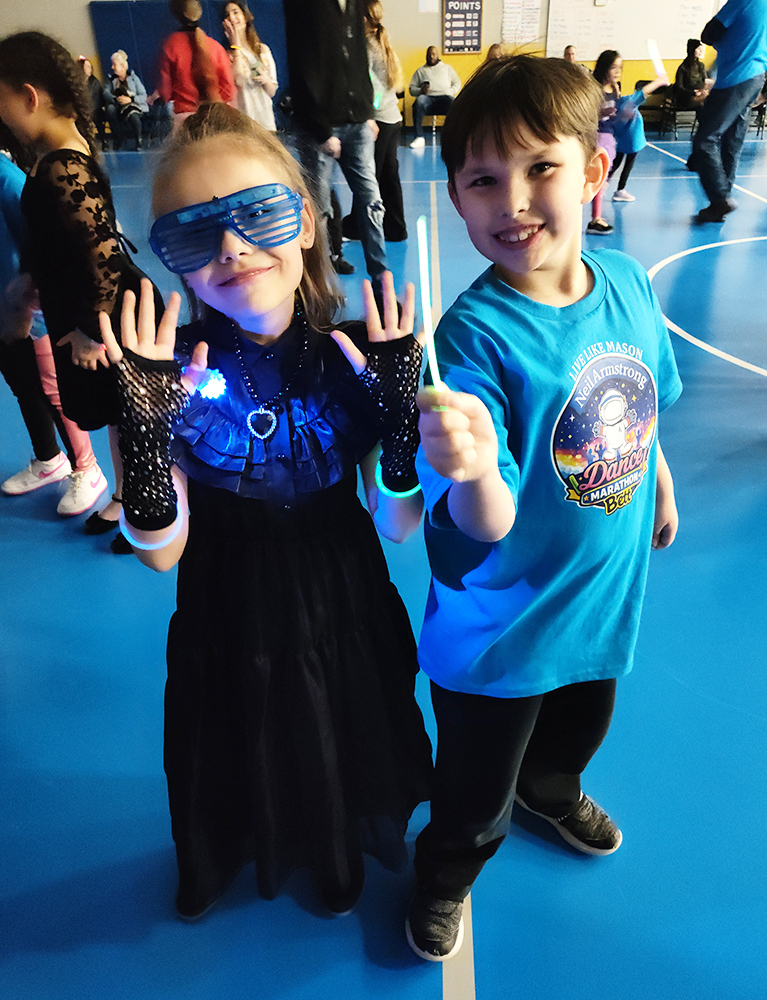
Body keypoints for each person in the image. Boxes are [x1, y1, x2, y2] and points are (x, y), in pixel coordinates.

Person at [97, 102, 433, 920]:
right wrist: (144, 432)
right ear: (173, 261)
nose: (232, 248)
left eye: (258, 215)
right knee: (242, 727)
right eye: (194, 234)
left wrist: (398, 420)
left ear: (308, 222)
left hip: (339, 591)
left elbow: (396, 523)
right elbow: (160, 552)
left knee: (337, 722)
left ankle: (333, 846)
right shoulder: (164, 376)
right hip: (228, 599)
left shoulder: (357, 354)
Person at [407, 54, 681, 962]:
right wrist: (469, 467)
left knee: (577, 729)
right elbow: (481, 521)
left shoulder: (628, 284)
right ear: (456, 196)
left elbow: (643, 401)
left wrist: (659, 481)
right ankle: (445, 872)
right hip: (503, 627)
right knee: (473, 787)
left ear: (594, 169)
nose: (513, 200)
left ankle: (551, 791)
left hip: (601, 597)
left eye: (540, 168)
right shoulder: (472, 339)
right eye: (484, 180)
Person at [0, 31, 164, 535]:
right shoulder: (59, 153)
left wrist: (94, 331)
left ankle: (143, 500)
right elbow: (61, 239)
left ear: (30, 97)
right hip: (89, 307)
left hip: (105, 313)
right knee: (115, 411)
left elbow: (103, 254)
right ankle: (123, 495)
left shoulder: (61, 167)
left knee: (126, 412)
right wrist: (29, 282)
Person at [0, 128, 99, 511]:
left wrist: (29, 303)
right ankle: (48, 459)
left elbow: (42, 245)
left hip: (30, 312)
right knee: (23, 386)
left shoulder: (8, 180)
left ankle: (87, 468)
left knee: (51, 389)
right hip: (2, 313)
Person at [283, 0, 388, 295]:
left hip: (358, 122)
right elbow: (301, 65)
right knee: (319, 212)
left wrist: (368, 112)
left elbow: (357, 59)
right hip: (320, 127)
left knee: (371, 203)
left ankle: (382, 286)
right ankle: (320, 290)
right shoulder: (306, 7)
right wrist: (322, 130)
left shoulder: (353, 4)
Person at [690, 0, 767, 222]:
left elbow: (708, 34)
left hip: (735, 78)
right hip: (755, 77)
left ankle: (720, 199)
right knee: (732, 141)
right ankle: (721, 203)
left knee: (705, 140)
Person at [343, 0, 408, 243]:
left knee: (367, 177)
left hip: (380, 121)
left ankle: (355, 227)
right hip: (393, 119)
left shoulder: (366, 47)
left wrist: (369, 114)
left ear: (363, 19)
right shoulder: (382, 42)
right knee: (389, 177)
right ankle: (396, 228)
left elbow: (374, 90)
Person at [155, 0, 236, 123]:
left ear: (176, 14)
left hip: (184, 119)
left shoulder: (169, 45)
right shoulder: (215, 47)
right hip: (216, 118)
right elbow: (229, 92)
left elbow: (165, 92)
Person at [609, 72, 669, 202]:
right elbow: (644, 91)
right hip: (632, 140)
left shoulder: (612, 105)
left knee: (615, 163)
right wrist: (660, 81)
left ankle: (602, 184)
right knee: (627, 165)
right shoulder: (628, 102)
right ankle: (620, 190)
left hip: (621, 140)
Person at [221, 1, 278, 131]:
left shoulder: (261, 50)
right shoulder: (227, 55)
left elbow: (272, 91)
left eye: (236, 12)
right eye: (227, 15)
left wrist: (266, 80)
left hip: (266, 123)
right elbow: (238, 79)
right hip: (244, 125)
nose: (232, 18)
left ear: (245, 17)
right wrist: (236, 45)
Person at [587, 49, 621, 233]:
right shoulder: (594, 89)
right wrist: (601, 113)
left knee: (602, 178)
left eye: (619, 68)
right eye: (613, 67)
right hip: (597, 137)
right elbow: (587, 114)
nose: (617, 72)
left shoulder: (613, 90)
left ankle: (596, 216)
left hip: (608, 137)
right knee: (598, 177)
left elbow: (615, 117)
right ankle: (595, 219)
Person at [408, 46, 461, 148]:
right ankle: (419, 137)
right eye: (429, 55)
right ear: (426, 56)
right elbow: (411, 89)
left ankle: (453, 136)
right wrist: (421, 91)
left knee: (453, 102)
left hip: (444, 98)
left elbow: (457, 82)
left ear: (438, 55)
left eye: (433, 54)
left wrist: (451, 91)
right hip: (427, 99)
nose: (431, 57)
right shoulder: (420, 71)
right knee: (419, 101)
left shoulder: (447, 68)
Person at [104, 49, 148, 151]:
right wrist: (116, 99)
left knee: (133, 114)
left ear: (122, 66)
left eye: (114, 65)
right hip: (118, 107)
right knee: (110, 109)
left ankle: (139, 141)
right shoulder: (111, 80)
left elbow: (143, 96)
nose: (112, 67)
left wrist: (131, 99)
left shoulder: (134, 79)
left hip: (133, 106)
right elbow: (106, 92)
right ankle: (118, 138)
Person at [78, 56, 108, 151]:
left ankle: (104, 141)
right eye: (87, 67)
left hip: (95, 109)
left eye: (90, 67)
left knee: (96, 116)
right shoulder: (77, 83)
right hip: (82, 109)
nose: (89, 69)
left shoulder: (95, 82)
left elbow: (97, 100)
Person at [674, 38, 712, 110]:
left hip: (700, 94)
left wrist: (704, 90)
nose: (701, 51)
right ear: (692, 50)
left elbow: (706, 81)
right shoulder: (683, 67)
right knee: (706, 100)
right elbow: (679, 87)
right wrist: (693, 93)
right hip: (687, 97)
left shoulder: (701, 66)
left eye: (701, 49)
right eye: (698, 49)